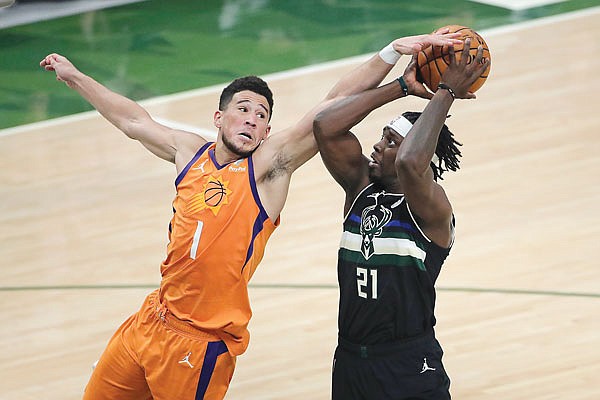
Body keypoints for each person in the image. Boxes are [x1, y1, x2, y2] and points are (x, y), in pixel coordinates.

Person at [39, 31, 463, 400]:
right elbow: (131, 118)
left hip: (201, 341)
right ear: (219, 118)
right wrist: (75, 77)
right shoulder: (188, 152)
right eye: (244, 108)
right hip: (151, 319)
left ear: (265, 132)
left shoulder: (268, 168)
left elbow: (330, 106)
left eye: (262, 116)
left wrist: (391, 59)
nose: (253, 118)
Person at [313, 39, 490, 399]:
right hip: (350, 359)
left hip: (407, 362)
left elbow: (411, 163)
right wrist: (399, 88)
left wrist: (445, 92)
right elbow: (325, 125)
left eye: (391, 140)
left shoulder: (431, 208)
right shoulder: (360, 188)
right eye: (382, 136)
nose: (378, 145)